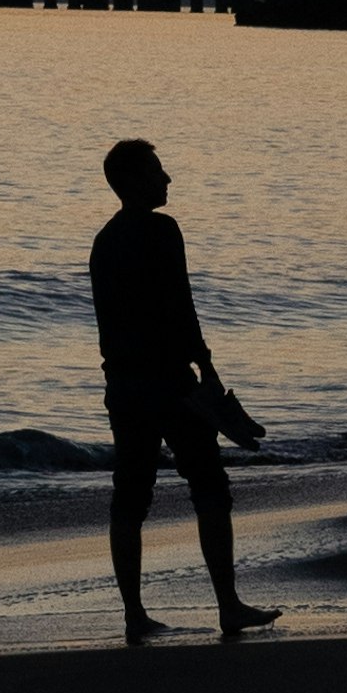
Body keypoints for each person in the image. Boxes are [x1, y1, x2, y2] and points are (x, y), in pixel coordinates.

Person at [89, 138, 278, 647]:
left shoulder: (104, 241)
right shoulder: (163, 231)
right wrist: (208, 370)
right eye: (157, 171)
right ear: (134, 182)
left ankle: (134, 615)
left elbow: (111, 324)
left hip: (124, 385)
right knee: (209, 486)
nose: (168, 179)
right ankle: (229, 606)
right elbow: (181, 306)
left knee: (130, 497)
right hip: (170, 384)